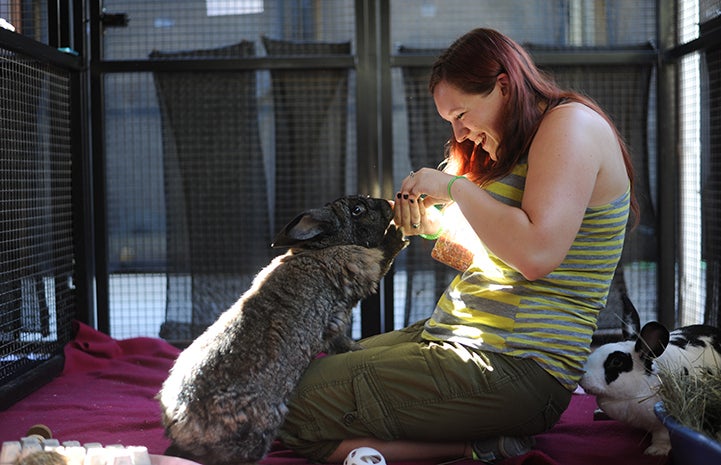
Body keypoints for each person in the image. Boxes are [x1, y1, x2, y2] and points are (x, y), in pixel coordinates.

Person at [277, 27, 636, 463]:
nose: (461, 133)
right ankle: (478, 446)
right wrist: (430, 227)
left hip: (519, 364)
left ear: (503, 85)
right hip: (457, 337)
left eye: (462, 114)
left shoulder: (570, 125)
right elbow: (483, 259)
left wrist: (455, 187)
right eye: (450, 121)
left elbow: (536, 256)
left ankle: (468, 448)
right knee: (286, 380)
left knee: (285, 404)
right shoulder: (508, 142)